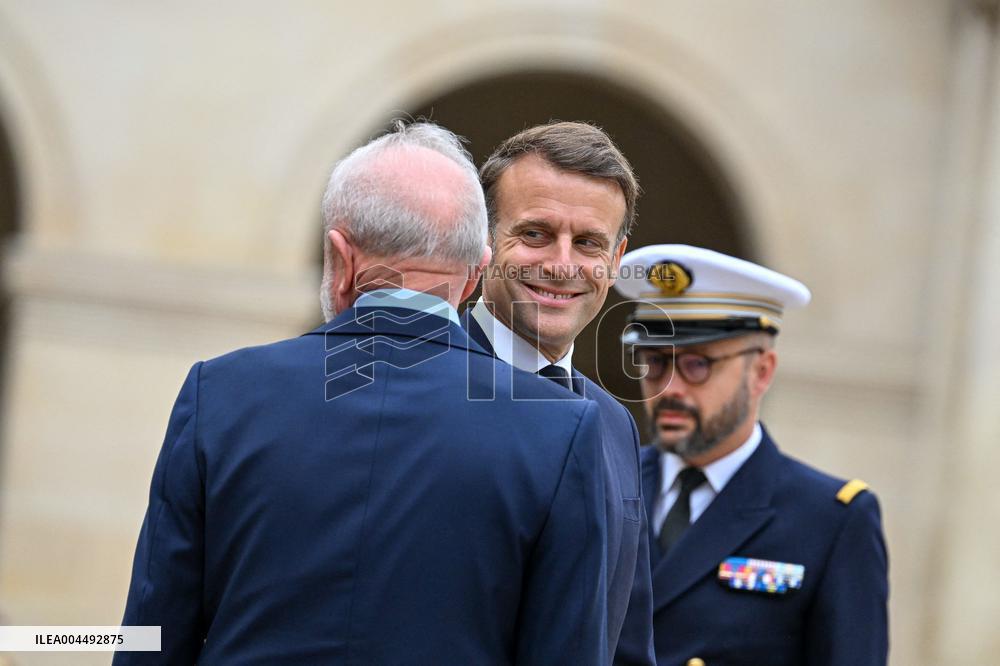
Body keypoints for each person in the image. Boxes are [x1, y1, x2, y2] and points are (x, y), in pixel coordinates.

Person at [114, 122, 613, 665]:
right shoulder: (560, 430)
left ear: (341, 258)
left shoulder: (220, 394)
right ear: (473, 275)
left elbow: (152, 639)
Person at [613, 244, 889, 666]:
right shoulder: (606, 482)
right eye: (654, 363)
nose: (669, 389)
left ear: (761, 371)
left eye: (696, 365)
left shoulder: (832, 521)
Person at [465, 121, 656, 665]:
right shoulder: (420, 381)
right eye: (535, 234)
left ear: (616, 260)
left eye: (589, 242)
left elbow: (625, 645)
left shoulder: (614, 424)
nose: (561, 263)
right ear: (484, 237)